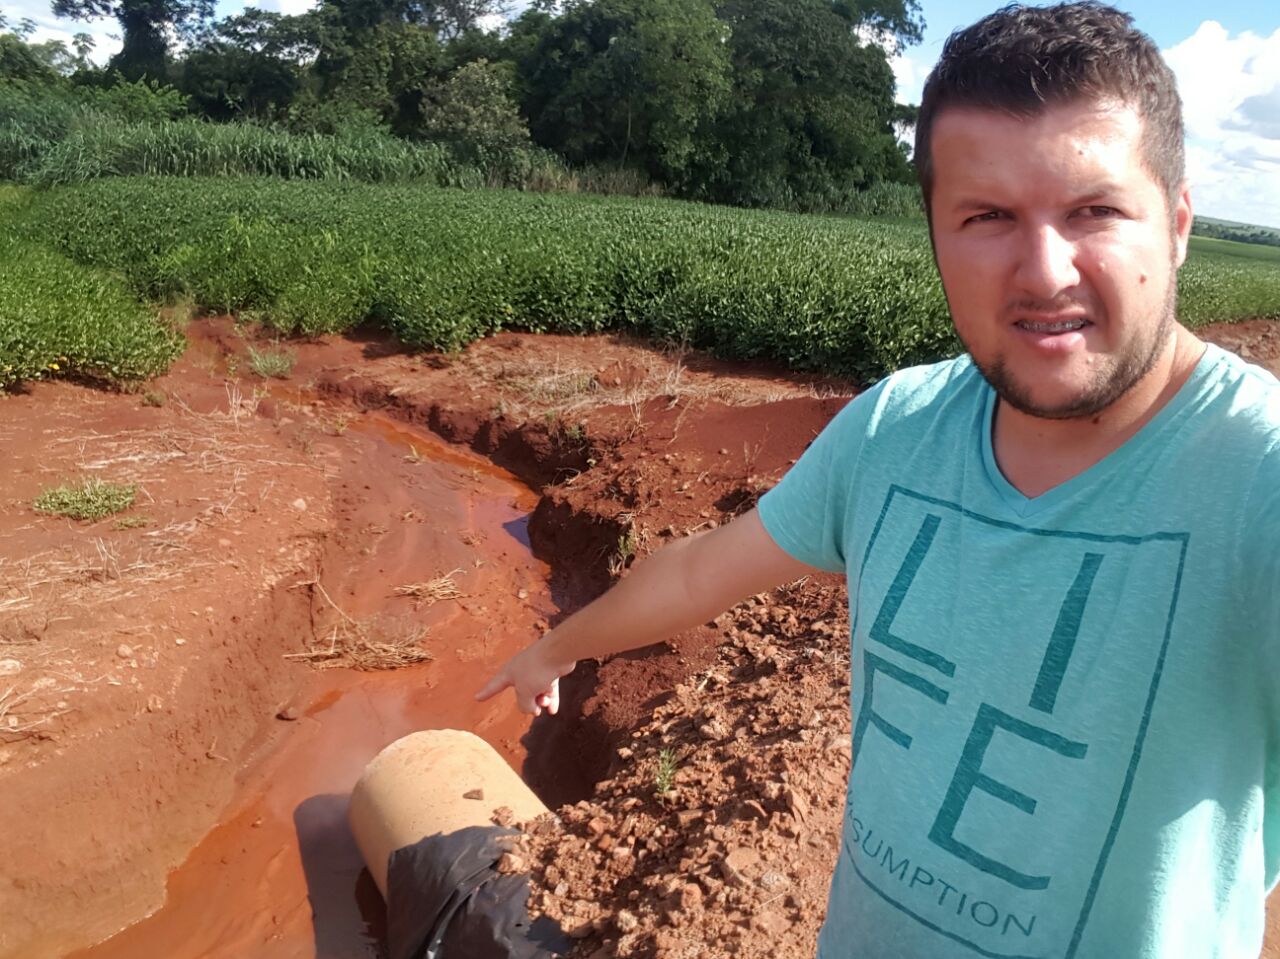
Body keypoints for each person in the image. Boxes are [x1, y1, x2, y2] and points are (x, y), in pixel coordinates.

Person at [476, 3, 1280, 955]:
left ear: (1178, 224)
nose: (1044, 268)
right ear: (936, 235)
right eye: (988, 217)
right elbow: (699, 573)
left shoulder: (1255, 479)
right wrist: (556, 649)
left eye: (1095, 209)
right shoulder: (897, 428)